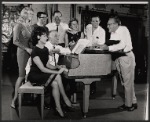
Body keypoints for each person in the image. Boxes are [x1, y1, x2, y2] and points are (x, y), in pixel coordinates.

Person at [27, 26, 72, 117]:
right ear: (38, 37)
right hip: (35, 75)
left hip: (42, 73)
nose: (47, 38)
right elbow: (42, 68)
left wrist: (57, 67)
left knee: (55, 84)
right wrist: (58, 72)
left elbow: (47, 65)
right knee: (58, 76)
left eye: (46, 36)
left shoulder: (45, 49)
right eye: (44, 36)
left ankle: (58, 107)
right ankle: (64, 97)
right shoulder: (34, 51)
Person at [100, 15, 138, 111]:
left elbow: (122, 44)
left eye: (109, 24)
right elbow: (114, 44)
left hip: (126, 57)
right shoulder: (114, 32)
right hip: (120, 57)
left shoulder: (123, 29)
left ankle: (129, 105)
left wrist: (108, 47)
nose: (107, 26)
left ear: (116, 24)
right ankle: (133, 102)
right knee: (125, 82)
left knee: (127, 83)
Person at [11, 7, 34, 108]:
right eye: (30, 14)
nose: (31, 16)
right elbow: (15, 41)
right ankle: (14, 100)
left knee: (28, 75)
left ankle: (26, 97)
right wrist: (26, 49)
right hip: (22, 52)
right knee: (21, 75)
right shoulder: (18, 25)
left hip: (31, 52)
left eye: (32, 14)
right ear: (24, 14)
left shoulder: (30, 26)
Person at [84, 14, 106, 95]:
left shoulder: (102, 31)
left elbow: (101, 44)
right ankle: (85, 87)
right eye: (93, 21)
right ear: (91, 22)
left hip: (95, 53)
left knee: (92, 71)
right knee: (86, 70)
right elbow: (85, 37)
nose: (94, 23)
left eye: (96, 21)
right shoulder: (88, 27)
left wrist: (92, 44)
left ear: (99, 21)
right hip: (86, 51)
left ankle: (93, 88)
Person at [64, 18, 84, 102]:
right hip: (70, 55)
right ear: (70, 26)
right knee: (69, 75)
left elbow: (82, 46)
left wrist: (75, 45)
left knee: (75, 74)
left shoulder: (81, 33)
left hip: (79, 56)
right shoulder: (66, 34)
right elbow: (66, 47)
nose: (75, 26)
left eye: (76, 24)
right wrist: (70, 46)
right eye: (73, 24)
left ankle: (73, 95)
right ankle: (69, 95)